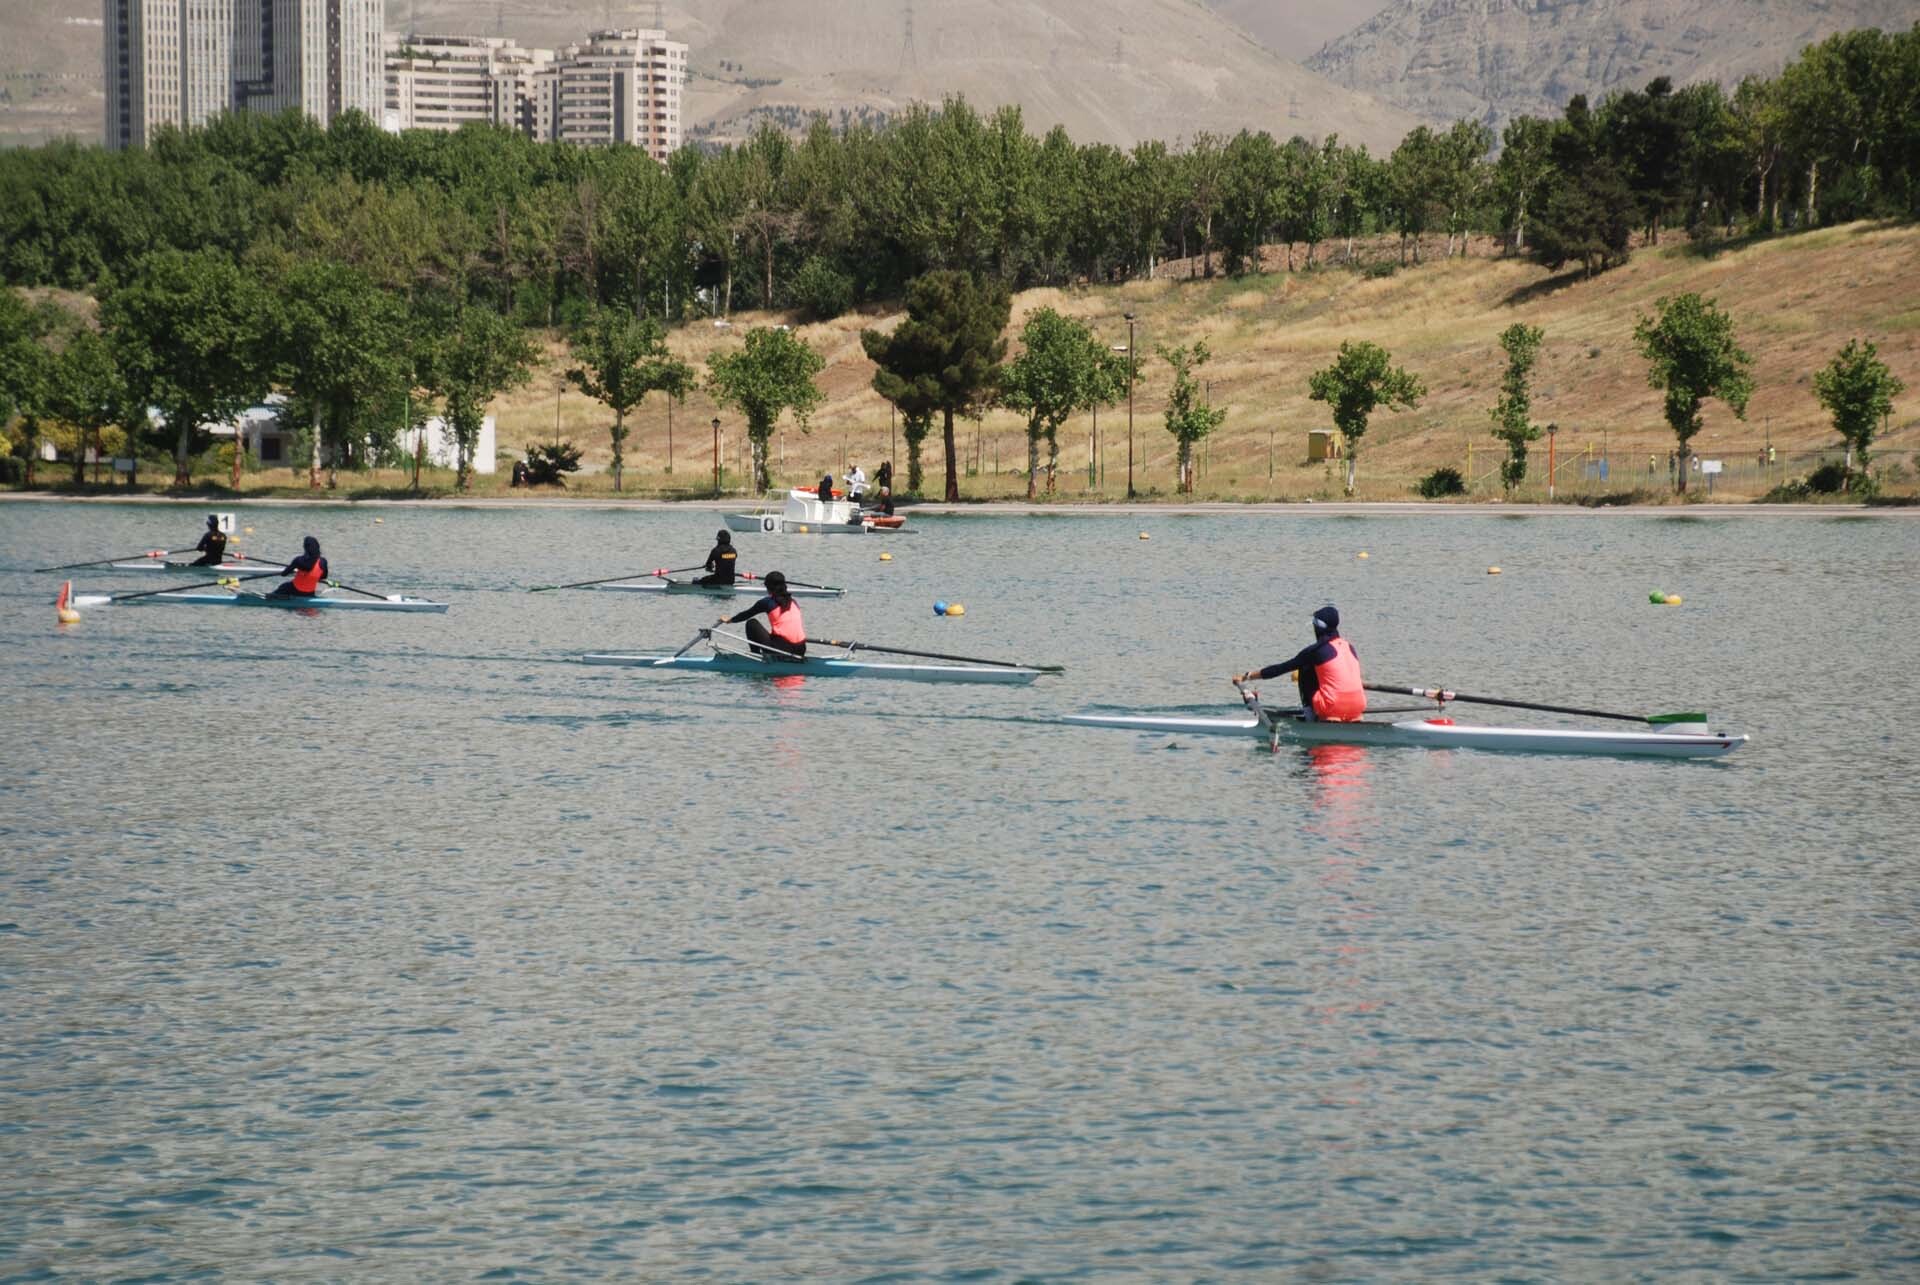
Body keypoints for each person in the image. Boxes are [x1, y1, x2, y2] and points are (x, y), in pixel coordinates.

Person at [1232, 605, 1365, 722]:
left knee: (1304, 666)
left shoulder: (1316, 651)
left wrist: (1247, 676)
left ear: (1317, 627)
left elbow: (1280, 669)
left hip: (1332, 708)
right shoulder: (1350, 647)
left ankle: (1310, 717)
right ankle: (1348, 715)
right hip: (1358, 707)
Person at [718, 571, 804, 658]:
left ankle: (755, 656)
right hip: (801, 649)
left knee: (751, 623)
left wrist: (730, 620)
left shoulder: (768, 602)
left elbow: (746, 614)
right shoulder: (794, 603)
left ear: (768, 587)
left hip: (780, 650)